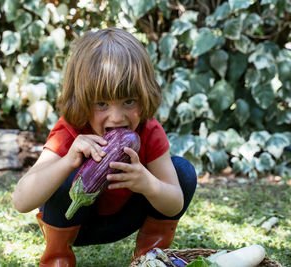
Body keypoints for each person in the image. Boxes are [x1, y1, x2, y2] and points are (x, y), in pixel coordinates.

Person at [12, 27, 197, 266]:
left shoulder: (149, 131)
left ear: (144, 96)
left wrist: (148, 184)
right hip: (75, 224)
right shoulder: (70, 131)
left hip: (125, 220)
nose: (117, 117)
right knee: (62, 173)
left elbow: (175, 203)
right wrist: (68, 160)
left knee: (183, 171)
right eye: (102, 104)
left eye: (129, 101)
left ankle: (150, 257)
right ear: (82, 101)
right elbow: (21, 201)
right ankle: (57, 258)